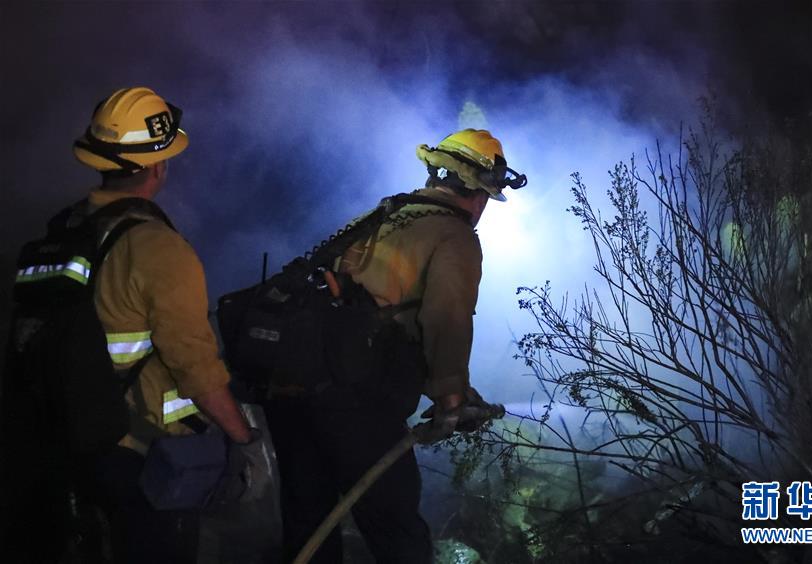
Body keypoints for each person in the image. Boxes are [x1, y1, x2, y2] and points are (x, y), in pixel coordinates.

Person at [1, 87, 262, 563]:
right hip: (144, 454)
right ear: (159, 165)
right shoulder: (158, 248)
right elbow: (196, 366)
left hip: (64, 440)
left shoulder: (65, 232)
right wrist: (243, 439)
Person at [264, 129, 526, 563]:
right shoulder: (454, 235)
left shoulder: (385, 214)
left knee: (309, 524)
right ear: (479, 193)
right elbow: (447, 319)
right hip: (356, 404)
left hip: (294, 391)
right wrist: (451, 400)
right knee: (396, 533)